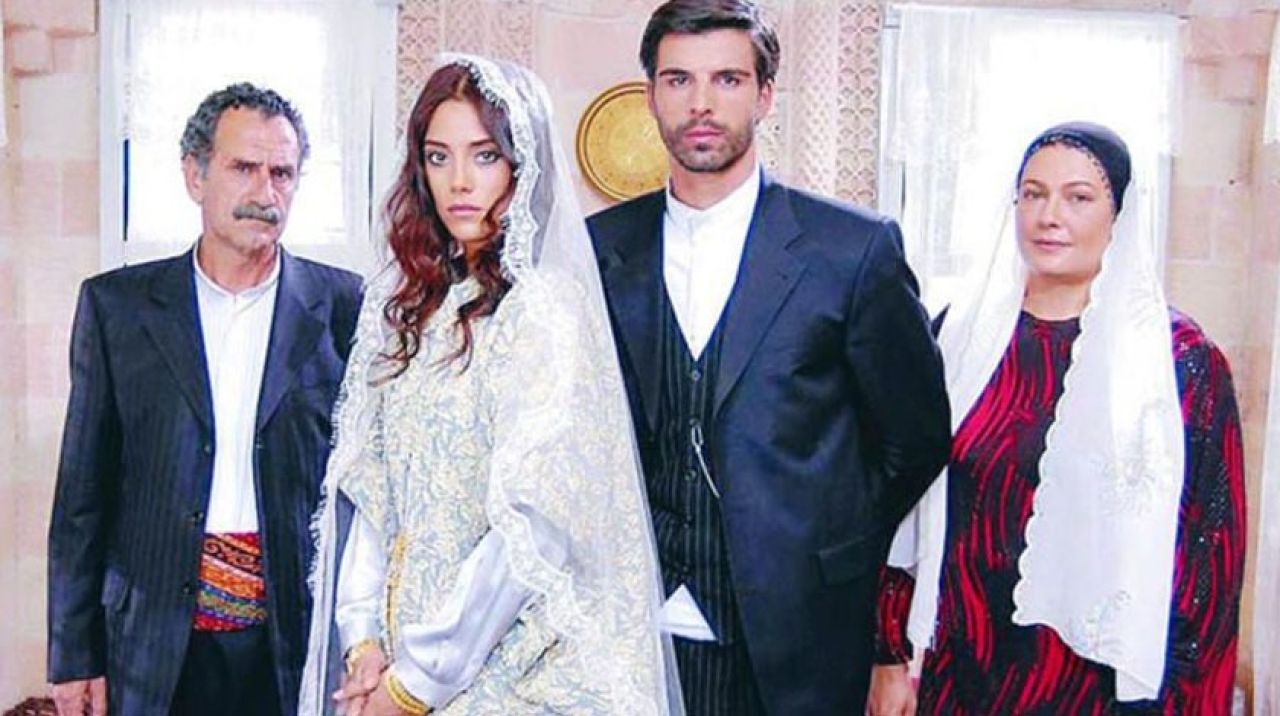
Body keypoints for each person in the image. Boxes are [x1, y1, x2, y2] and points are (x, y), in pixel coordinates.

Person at [587, 2, 951, 713]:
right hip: (630, 631)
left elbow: (916, 439)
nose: (700, 103)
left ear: (765, 95)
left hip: (799, 636)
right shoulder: (598, 250)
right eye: (678, 80)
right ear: (651, 94)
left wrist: (822, 531)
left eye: (726, 79)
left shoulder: (852, 249)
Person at [298, 54, 679, 716]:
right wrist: (362, 644)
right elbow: (372, 491)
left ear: (520, 165)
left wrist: (417, 684)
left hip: (521, 674)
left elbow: (534, 526)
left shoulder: (543, 311)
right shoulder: (409, 308)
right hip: (398, 658)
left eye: (484, 156)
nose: (459, 182)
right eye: (438, 157)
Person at [870, 122, 1246, 715]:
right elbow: (895, 502)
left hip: (1098, 686)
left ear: (1118, 216)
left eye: (1078, 197)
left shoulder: (1178, 361)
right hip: (963, 669)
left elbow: (1210, 559)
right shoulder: (957, 339)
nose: (1049, 216)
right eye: (1033, 194)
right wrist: (888, 655)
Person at [46, 83, 363, 716]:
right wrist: (74, 654)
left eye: (282, 173)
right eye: (243, 168)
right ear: (195, 175)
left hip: (294, 638)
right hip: (152, 640)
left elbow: (366, 492)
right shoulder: (118, 308)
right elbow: (82, 493)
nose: (265, 192)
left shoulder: (345, 308)